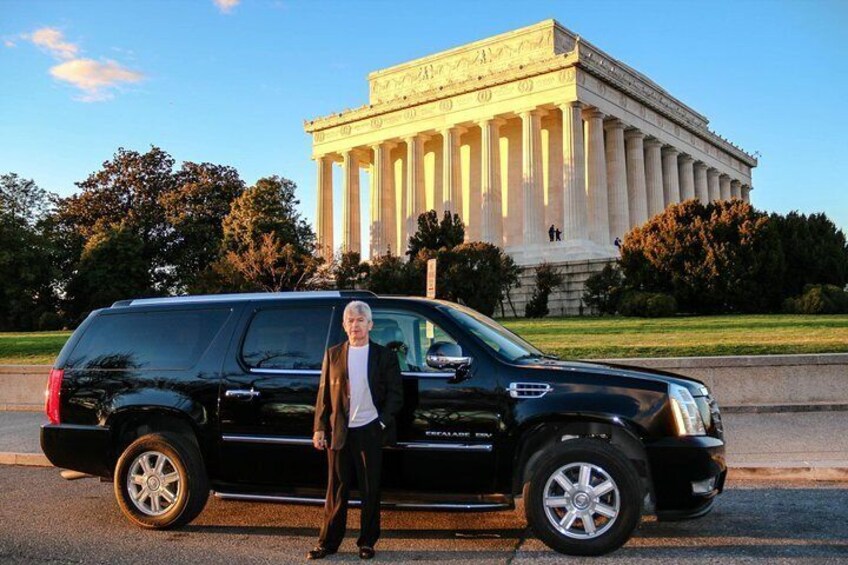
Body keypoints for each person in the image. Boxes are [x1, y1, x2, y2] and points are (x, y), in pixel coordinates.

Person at [308, 300, 403, 560]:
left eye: (360, 320)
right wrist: (319, 428)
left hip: (370, 431)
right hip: (339, 431)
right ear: (344, 325)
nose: (355, 325)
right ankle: (327, 543)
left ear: (370, 325)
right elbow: (323, 394)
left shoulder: (385, 356)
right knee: (336, 489)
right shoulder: (333, 354)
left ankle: (367, 542)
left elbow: (396, 396)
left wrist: (381, 422)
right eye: (350, 320)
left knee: (370, 489)